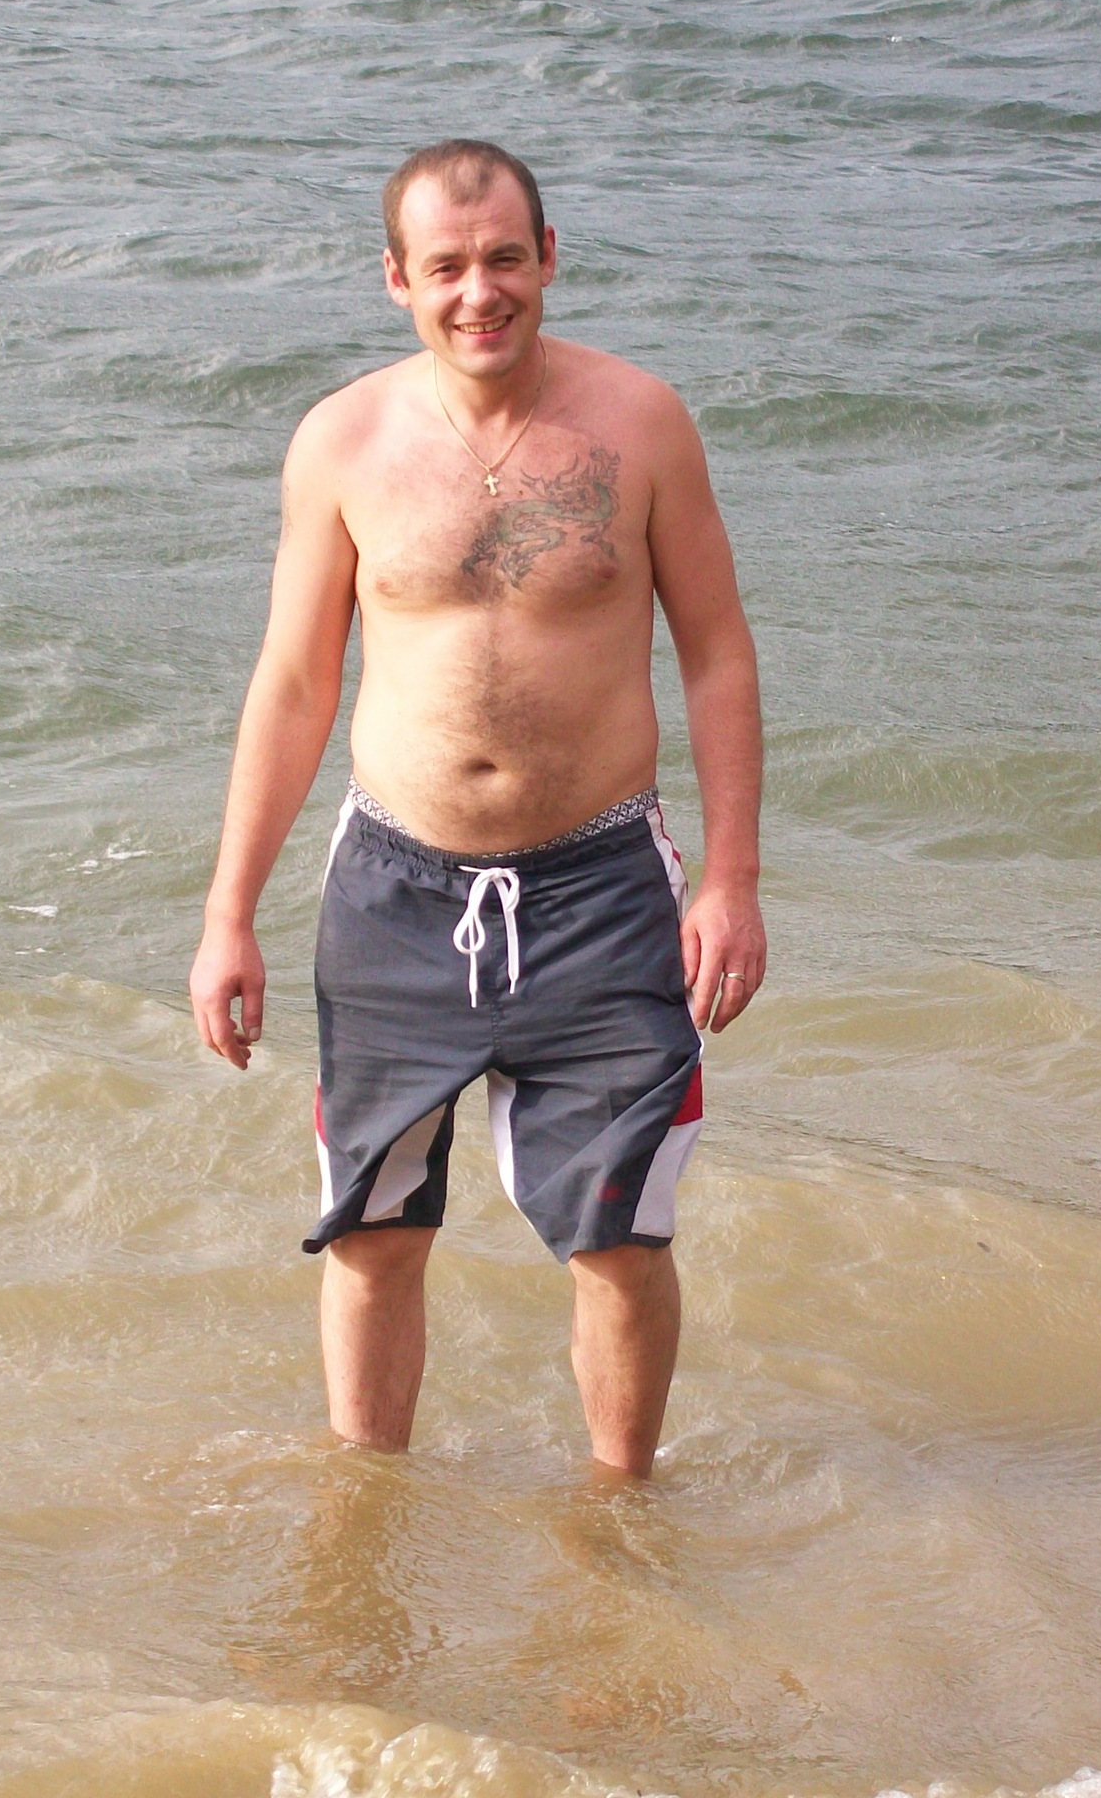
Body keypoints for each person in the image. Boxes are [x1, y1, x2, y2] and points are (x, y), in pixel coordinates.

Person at [189, 139, 765, 1479]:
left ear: (549, 258)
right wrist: (228, 915)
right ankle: (366, 1519)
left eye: (506, 258)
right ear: (397, 278)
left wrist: (730, 878)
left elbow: (718, 651)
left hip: (602, 887)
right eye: (446, 266)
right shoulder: (343, 442)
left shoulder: (642, 424)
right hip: (395, 888)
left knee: (621, 1236)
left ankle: (621, 1522)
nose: (479, 292)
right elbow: (293, 684)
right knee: (374, 1231)